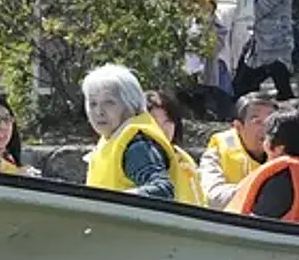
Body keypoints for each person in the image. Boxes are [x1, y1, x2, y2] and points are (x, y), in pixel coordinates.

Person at [82, 64, 206, 205]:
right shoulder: (111, 140)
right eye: (92, 104)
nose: (99, 112)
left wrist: (113, 202)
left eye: (109, 103)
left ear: (130, 105)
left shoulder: (136, 145)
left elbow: (162, 190)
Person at [229, 110, 299, 224]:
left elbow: (254, 226)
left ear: (278, 148)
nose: (263, 144)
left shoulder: (281, 178)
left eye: (265, 139)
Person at [234, 0, 298, 99]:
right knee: (245, 86)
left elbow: (261, 7)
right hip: (264, 43)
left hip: (274, 45)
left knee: (247, 86)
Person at [201, 92, 279, 210]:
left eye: (271, 121)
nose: (266, 128)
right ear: (238, 126)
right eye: (257, 121)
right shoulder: (217, 152)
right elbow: (213, 197)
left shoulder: (286, 150)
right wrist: (258, 190)